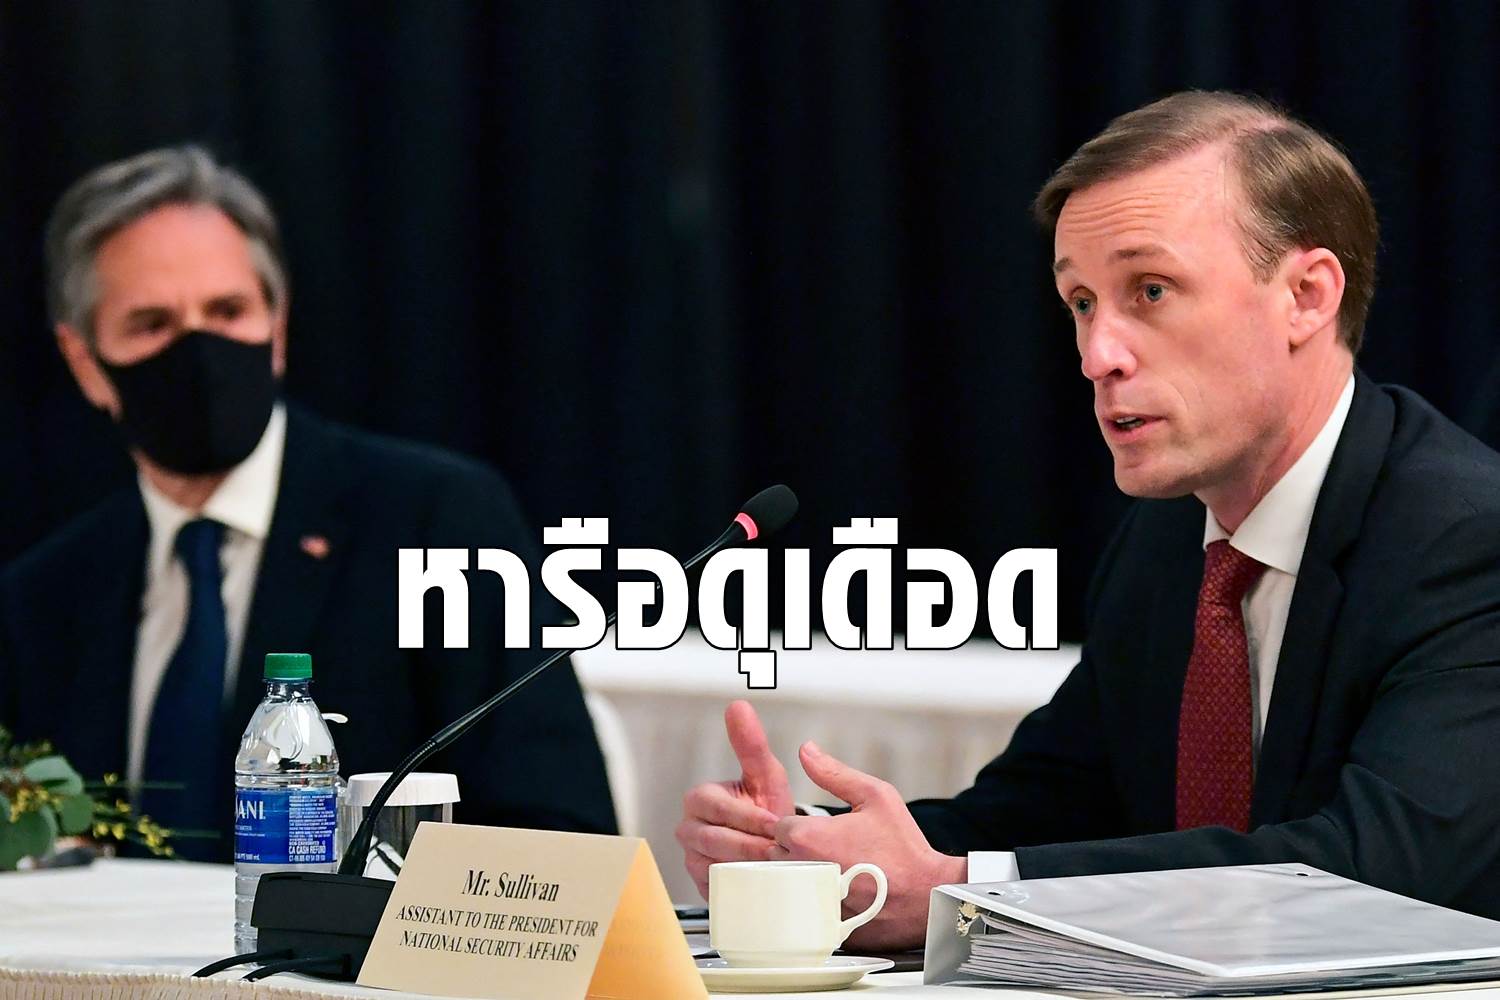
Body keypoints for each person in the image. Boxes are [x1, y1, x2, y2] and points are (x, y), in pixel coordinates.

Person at [677, 91, 1500, 947]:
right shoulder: (1169, 541)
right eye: (1080, 303)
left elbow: (1380, 873)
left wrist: (958, 892)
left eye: (1151, 290)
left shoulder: (1466, 541)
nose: (1098, 355)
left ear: (1306, 295)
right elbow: (1043, 808)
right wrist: (808, 849)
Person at [0, 146, 616, 860]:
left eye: (228, 311)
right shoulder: (45, 598)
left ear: (278, 328)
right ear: (85, 363)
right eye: (153, 324)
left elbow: (562, 838)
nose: (198, 352)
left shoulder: (437, 524)